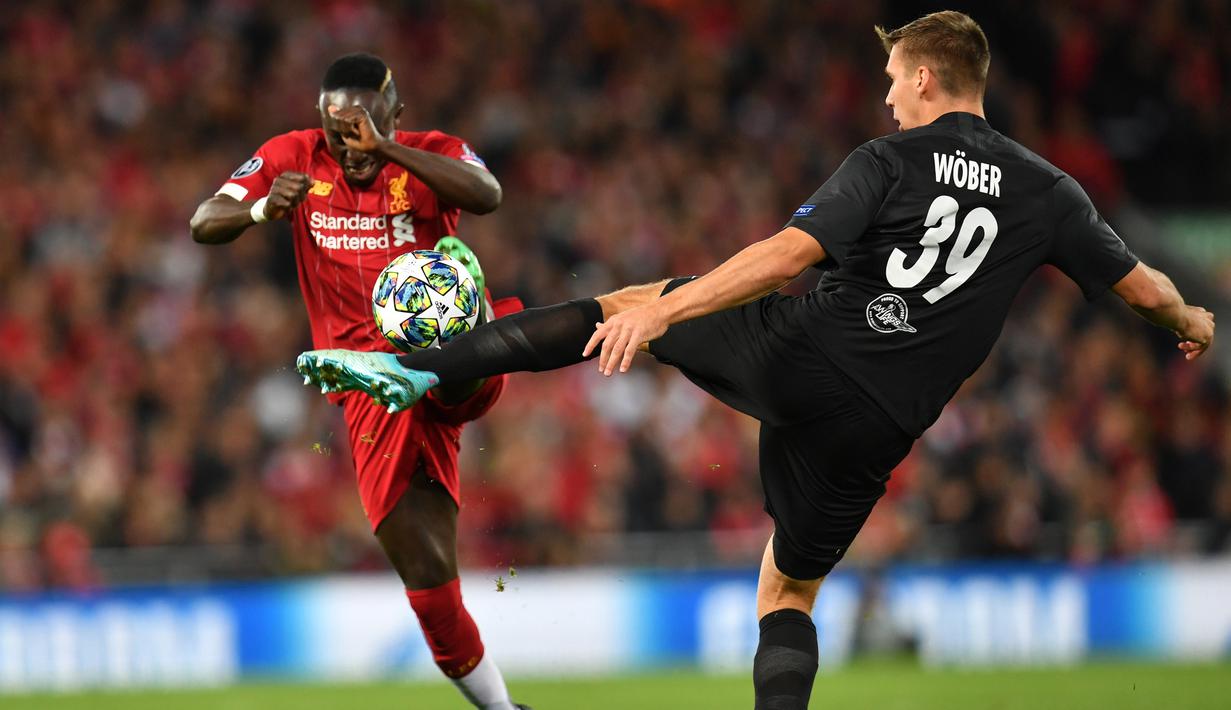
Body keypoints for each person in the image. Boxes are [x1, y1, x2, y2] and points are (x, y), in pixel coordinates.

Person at [295, 13, 1215, 710]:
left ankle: (417, 370)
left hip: (804, 354)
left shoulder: (887, 161)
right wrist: (1191, 322)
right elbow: (1139, 286)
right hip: (883, 425)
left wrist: (670, 311)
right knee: (790, 589)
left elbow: (784, 256)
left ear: (929, 78)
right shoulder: (1049, 190)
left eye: (895, 78)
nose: (887, 94)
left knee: (625, 302)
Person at [190, 53, 530, 710]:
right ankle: (503, 708)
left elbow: (487, 195)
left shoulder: (435, 152)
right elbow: (204, 221)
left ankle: (455, 335)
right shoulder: (291, 154)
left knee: (452, 351)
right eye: (337, 130)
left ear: (394, 115)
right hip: (366, 392)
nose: (351, 146)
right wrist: (262, 211)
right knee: (427, 578)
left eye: (364, 127)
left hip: (436, 354)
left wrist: (393, 152)